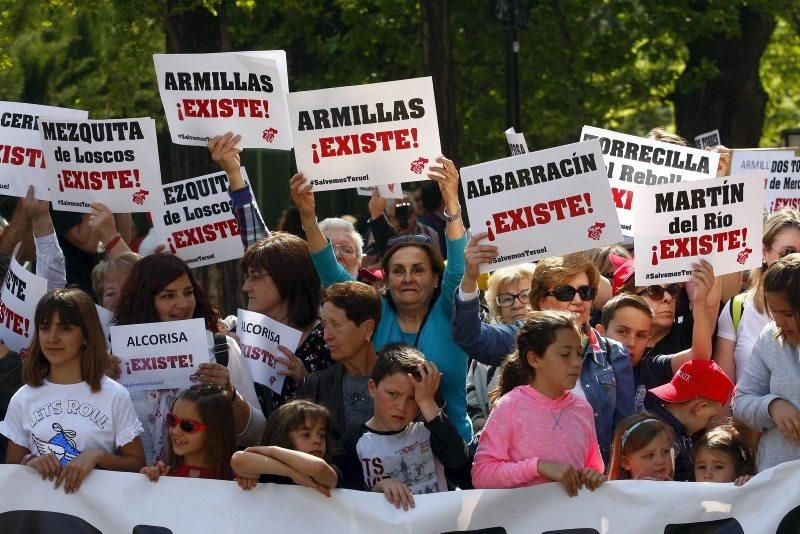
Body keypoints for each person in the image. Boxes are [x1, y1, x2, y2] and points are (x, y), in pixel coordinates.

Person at [291, 157, 473, 441]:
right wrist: (308, 219)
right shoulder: (376, 311)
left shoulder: (451, 310)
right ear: (386, 279)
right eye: (398, 271)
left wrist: (451, 201)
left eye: (419, 269)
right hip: (381, 455)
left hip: (450, 452)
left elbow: (460, 268)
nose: (408, 278)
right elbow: (330, 271)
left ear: (436, 278)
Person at [455, 248, 634, 460]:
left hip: (592, 483)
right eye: (565, 292)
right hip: (530, 483)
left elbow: (626, 434)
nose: (578, 300)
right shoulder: (521, 338)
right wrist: (469, 278)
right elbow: (471, 337)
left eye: (586, 292)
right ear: (540, 301)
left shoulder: (613, 352)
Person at [114, 253, 265, 462]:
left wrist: (230, 395)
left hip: (203, 487)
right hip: (133, 488)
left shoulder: (220, 349)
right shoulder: (116, 356)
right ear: (145, 302)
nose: (183, 304)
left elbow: (257, 434)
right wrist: (97, 379)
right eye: (168, 296)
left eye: (188, 292)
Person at [0, 288, 145, 493]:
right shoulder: (23, 398)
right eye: (44, 327)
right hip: (40, 517)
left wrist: (98, 456)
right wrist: (30, 463)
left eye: (65, 328)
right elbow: (10, 472)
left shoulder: (114, 395)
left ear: (86, 334)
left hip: (96, 519)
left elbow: (137, 464)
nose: (52, 338)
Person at [472, 311, 606, 496]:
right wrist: (538, 467)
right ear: (534, 359)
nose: (577, 362)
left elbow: (594, 466)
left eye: (579, 353)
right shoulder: (509, 407)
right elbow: (481, 474)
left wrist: (593, 475)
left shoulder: (583, 409)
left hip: (574, 521)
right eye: (565, 354)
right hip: (522, 522)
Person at [334, 344, 468, 510]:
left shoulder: (428, 428)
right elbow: (348, 507)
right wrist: (378, 489)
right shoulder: (351, 444)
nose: (401, 406)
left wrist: (427, 401)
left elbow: (458, 459)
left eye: (412, 398)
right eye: (393, 394)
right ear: (373, 388)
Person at [240, 232, 334, 415]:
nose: (246, 287)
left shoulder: (327, 340)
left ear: (287, 278)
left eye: (255, 277)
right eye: (247, 276)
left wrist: (307, 382)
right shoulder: (239, 335)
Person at [715, 209, 800, 383]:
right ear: (764, 251)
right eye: (788, 252)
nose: (795, 260)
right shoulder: (737, 309)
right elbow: (723, 395)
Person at [733, 254, 800, 472]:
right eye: (774, 311)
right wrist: (771, 406)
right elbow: (741, 402)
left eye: (788, 313)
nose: (779, 321)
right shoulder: (770, 336)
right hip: (775, 484)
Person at [598, 287, 715, 411]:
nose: (631, 343)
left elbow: (699, 356)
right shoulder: (581, 367)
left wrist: (699, 302)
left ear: (648, 339)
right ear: (600, 333)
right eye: (622, 332)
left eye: (640, 336)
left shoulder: (650, 369)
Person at [297, 281, 381, 442]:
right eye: (325, 325)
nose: (326, 335)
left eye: (336, 325)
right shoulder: (314, 387)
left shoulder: (404, 379)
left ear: (367, 328)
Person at [466, 264, 535, 433]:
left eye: (525, 295)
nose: (517, 304)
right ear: (497, 307)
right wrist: (493, 427)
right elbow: (471, 404)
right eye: (506, 299)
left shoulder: (556, 345)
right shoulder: (482, 356)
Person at [613, 256, 721, 360]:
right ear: (628, 300)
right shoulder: (610, 347)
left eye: (672, 289)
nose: (668, 297)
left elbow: (710, 304)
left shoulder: (690, 334)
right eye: (655, 291)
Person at [644, 360, 734, 481]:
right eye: (710, 417)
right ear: (700, 408)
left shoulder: (656, 424)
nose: (707, 423)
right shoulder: (664, 438)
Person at [231, 400, 340, 495]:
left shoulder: (329, 469)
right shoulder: (268, 469)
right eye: (306, 435)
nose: (318, 440)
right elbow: (238, 459)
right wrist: (291, 473)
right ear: (282, 439)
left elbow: (318, 467)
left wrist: (271, 450)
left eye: (322, 435)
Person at [140, 384, 236, 481]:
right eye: (172, 420)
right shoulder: (163, 474)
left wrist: (247, 479)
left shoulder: (236, 480)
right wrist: (146, 479)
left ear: (214, 431)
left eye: (187, 425)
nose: (176, 431)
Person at [608, 413, 675, 481]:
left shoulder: (682, 490)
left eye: (665, 451)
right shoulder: (610, 491)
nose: (660, 461)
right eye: (649, 455)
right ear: (626, 462)